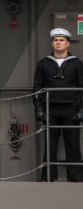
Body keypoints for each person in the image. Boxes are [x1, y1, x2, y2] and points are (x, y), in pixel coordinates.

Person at [33, 28, 83, 182]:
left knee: (73, 144)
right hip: (50, 108)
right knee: (50, 145)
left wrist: (82, 110)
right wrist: (38, 108)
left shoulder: (77, 63)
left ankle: (76, 179)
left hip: (71, 109)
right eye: (56, 40)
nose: (58, 43)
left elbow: (82, 87)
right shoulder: (43, 63)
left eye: (61, 40)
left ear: (67, 43)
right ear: (52, 43)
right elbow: (37, 87)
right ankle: (48, 177)